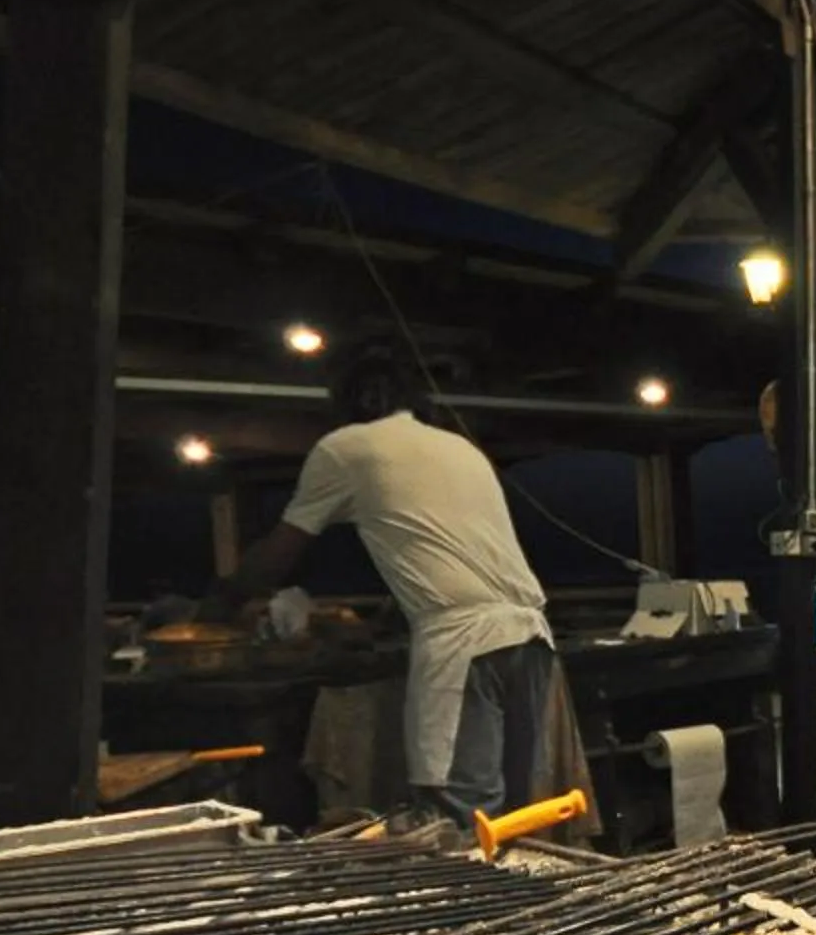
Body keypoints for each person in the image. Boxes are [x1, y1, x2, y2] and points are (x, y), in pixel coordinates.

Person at [205, 347, 555, 828]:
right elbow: (441, 538)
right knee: (519, 816)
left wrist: (220, 599)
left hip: (464, 643)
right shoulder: (459, 446)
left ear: (360, 398)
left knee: (462, 817)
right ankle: (527, 894)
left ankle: (468, 899)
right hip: (531, 639)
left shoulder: (345, 448)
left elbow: (279, 554)